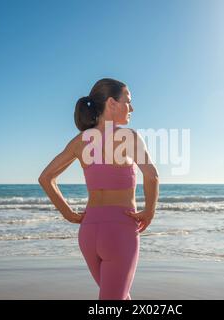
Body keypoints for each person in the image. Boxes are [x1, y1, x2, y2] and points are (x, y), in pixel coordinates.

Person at [38, 78, 159, 300]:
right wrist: (149, 212)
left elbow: (46, 178)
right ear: (112, 103)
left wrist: (69, 214)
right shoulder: (129, 136)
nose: (132, 108)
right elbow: (151, 176)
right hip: (120, 231)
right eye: (128, 101)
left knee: (118, 297)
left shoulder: (79, 141)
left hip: (88, 232)